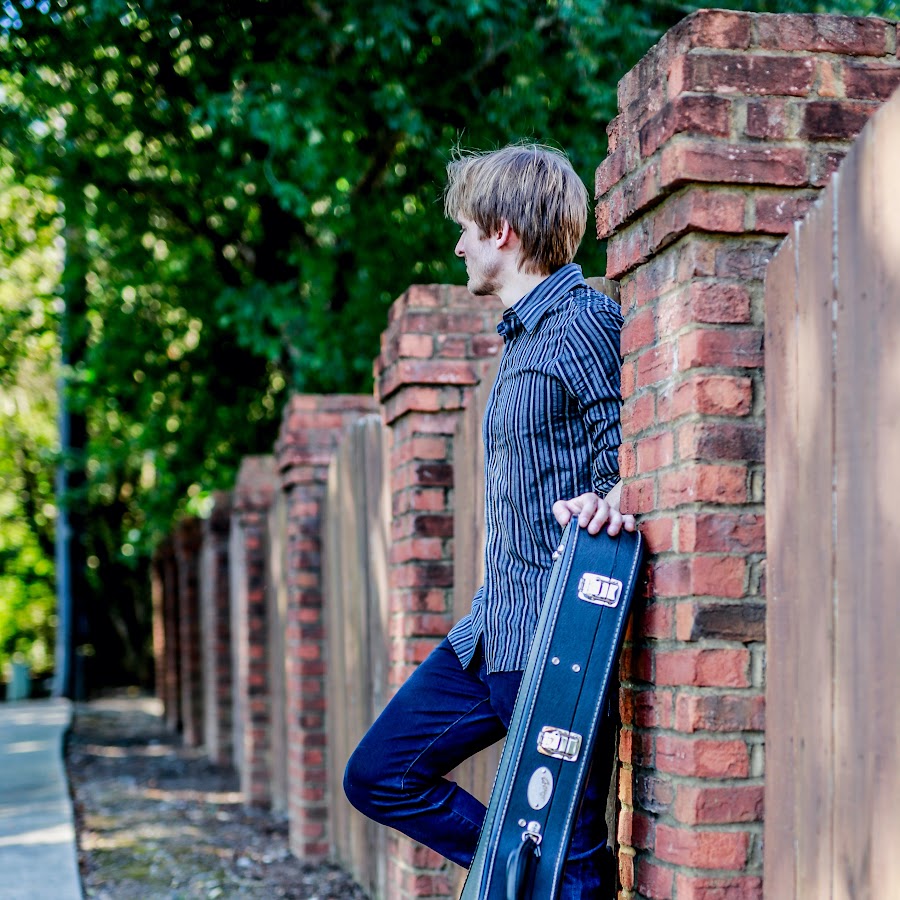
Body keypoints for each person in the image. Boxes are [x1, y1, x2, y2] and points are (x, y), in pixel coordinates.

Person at [344, 143, 636, 899]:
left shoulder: (583, 322)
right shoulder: (522, 338)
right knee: (379, 774)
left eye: (466, 228)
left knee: (573, 852)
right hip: (491, 634)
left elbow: (629, 454)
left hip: (560, 639)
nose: (459, 245)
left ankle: (548, 873)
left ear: (502, 231)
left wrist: (609, 494)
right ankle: (525, 867)